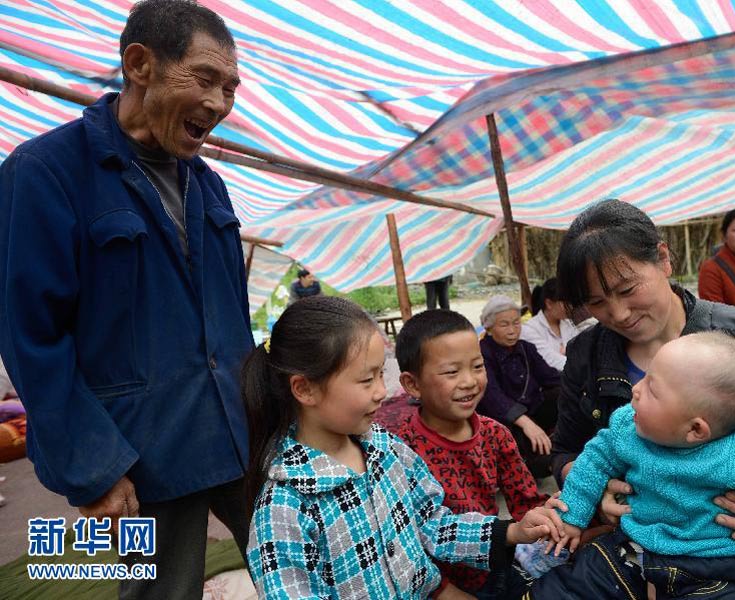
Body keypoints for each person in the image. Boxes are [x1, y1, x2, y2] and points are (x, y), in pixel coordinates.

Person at [0, 2, 251, 597]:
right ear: (139, 64)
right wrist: (92, 469)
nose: (219, 104)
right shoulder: (43, 172)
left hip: (241, 434)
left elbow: (233, 325)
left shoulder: (209, 184)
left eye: (231, 88)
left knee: (302, 573)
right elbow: (32, 339)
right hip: (138, 460)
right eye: (206, 79)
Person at [551, 199, 735, 600]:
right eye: (596, 302)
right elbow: (564, 450)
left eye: (627, 289)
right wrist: (589, 483)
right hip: (636, 538)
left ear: (663, 259)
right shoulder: (586, 354)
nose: (619, 313)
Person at [242, 296, 566, 599]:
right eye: (367, 380)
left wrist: (511, 532)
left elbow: (432, 522)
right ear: (305, 389)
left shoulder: (385, 448)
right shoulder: (283, 510)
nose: (382, 392)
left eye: (381, 374)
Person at [536, 332, 735, 600]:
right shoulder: (626, 427)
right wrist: (572, 516)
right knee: (559, 588)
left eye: (652, 389)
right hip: (633, 550)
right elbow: (593, 461)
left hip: (725, 564)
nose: (635, 389)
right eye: (645, 376)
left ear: (695, 429)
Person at [395, 310, 548, 599]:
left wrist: (564, 518)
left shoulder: (495, 434)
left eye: (477, 366)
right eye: (452, 372)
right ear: (413, 384)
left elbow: (526, 502)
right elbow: (406, 539)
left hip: (494, 568)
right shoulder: (401, 448)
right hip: (433, 586)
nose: (469, 381)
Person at [478, 295, 561, 479]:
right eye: (504, 324)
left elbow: (551, 377)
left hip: (532, 410)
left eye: (516, 323)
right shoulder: (483, 353)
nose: (512, 330)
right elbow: (492, 396)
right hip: (503, 419)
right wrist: (526, 423)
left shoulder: (526, 348)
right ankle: (533, 464)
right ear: (489, 328)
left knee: (564, 393)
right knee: (516, 438)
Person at [520, 278, 580, 371]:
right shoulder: (529, 329)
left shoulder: (568, 324)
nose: (571, 307)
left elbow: (582, 350)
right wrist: (580, 365)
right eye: (566, 303)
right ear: (549, 304)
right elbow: (549, 359)